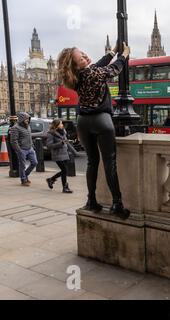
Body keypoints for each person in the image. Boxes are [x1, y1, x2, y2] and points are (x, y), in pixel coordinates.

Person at [57, 42, 131, 219]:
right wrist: (124, 55)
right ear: (76, 65)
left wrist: (112, 52)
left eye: (83, 53)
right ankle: (117, 204)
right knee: (109, 163)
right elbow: (114, 69)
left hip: (82, 122)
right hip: (101, 121)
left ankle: (91, 201)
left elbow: (97, 65)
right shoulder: (95, 74)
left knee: (92, 162)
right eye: (81, 58)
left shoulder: (75, 77)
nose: (85, 56)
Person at [46, 119, 73, 194]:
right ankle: (65, 187)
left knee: (65, 170)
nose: (62, 125)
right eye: (61, 124)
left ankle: (51, 179)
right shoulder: (50, 133)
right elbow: (49, 145)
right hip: (57, 154)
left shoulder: (63, 131)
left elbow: (64, 140)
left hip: (65, 153)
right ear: (56, 125)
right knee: (64, 170)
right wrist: (60, 143)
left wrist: (67, 141)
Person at [9, 112, 37, 186]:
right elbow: (13, 141)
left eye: (28, 118)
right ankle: (23, 180)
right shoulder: (15, 128)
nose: (28, 120)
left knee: (34, 162)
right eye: (26, 119)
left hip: (30, 148)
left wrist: (32, 146)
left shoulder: (28, 126)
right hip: (22, 149)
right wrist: (19, 150)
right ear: (21, 119)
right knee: (22, 165)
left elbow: (29, 137)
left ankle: (25, 175)